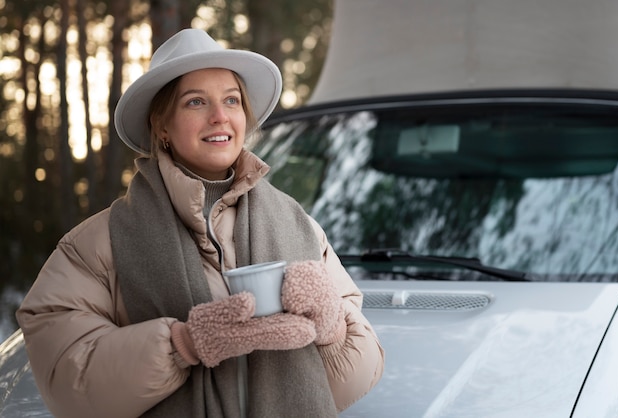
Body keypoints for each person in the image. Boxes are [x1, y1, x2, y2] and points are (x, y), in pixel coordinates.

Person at [16, 28, 384, 418]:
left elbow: (358, 376)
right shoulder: (93, 247)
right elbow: (67, 383)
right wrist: (182, 345)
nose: (220, 116)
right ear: (162, 127)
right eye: (196, 102)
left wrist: (332, 332)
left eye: (232, 100)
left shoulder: (302, 227)